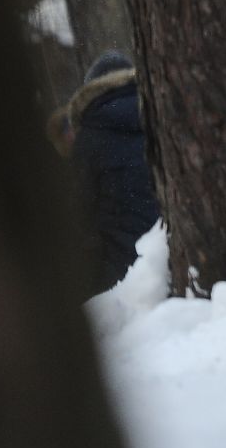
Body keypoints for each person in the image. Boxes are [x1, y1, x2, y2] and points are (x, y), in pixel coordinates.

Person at [53, 51, 160, 296]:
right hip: (173, 252)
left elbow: (78, 215)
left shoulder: (89, 141)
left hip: (120, 273)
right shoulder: (160, 116)